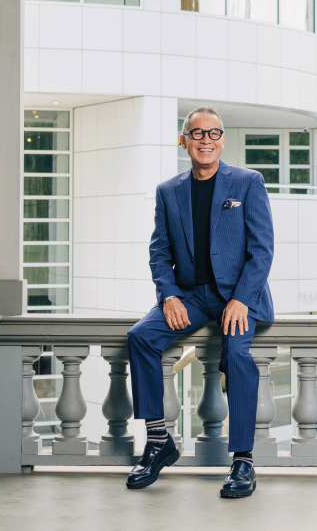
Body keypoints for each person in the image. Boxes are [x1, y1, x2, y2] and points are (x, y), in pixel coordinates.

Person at [126, 106, 275, 499]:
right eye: (197, 134)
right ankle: (159, 443)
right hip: (191, 296)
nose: (205, 140)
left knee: (238, 356)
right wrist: (169, 294)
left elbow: (262, 250)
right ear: (184, 140)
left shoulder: (247, 183)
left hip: (238, 296)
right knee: (141, 337)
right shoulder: (168, 191)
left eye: (213, 133)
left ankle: (243, 460)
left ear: (222, 141)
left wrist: (242, 299)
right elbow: (159, 253)